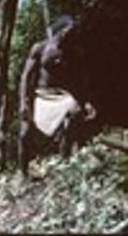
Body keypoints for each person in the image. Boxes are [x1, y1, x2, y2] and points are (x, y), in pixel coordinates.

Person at [18, 15, 96, 176]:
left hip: (61, 95)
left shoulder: (72, 52)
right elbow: (26, 76)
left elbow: (79, 80)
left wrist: (86, 102)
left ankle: (65, 163)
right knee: (25, 133)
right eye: (69, 31)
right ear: (61, 31)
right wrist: (24, 103)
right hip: (40, 94)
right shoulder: (40, 48)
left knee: (75, 112)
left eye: (74, 32)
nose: (71, 34)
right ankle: (22, 173)